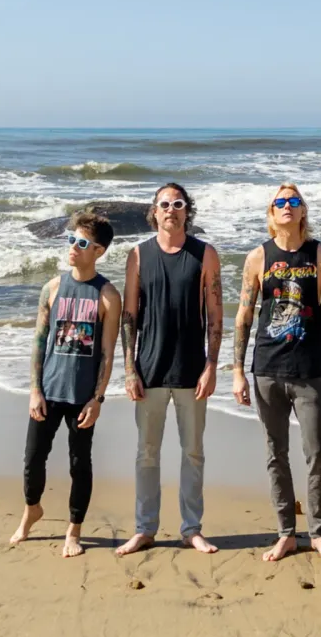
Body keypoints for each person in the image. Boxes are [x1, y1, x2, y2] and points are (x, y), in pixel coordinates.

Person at [232, 183, 321, 562]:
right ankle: (285, 533)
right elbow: (244, 315)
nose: (287, 206)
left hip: (309, 371)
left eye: (294, 201)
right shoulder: (257, 258)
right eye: (279, 202)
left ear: (302, 211)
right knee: (275, 454)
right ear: (271, 212)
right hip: (267, 369)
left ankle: (317, 533)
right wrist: (237, 371)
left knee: (318, 454)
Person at [116, 183, 223, 556]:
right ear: (154, 211)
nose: (171, 210)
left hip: (192, 371)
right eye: (164, 204)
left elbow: (215, 315)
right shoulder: (138, 255)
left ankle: (191, 529)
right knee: (146, 453)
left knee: (193, 452)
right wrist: (129, 368)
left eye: (178, 204)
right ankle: (145, 529)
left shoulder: (205, 254)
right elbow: (129, 316)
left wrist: (212, 366)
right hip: (149, 370)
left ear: (186, 211)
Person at [10, 212, 121, 558]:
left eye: (82, 243)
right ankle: (32, 510)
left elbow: (108, 352)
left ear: (99, 251)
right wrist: (34, 390)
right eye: (71, 240)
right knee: (32, 459)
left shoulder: (107, 295)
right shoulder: (53, 288)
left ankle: (74, 531)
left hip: (82, 397)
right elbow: (39, 342)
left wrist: (97, 399)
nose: (73, 247)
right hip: (48, 391)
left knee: (79, 464)